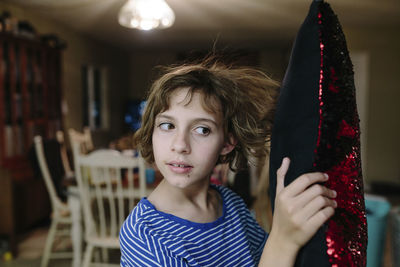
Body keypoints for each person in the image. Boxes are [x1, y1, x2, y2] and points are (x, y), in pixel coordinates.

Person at [119, 56, 337, 266]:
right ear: (151, 132)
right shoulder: (143, 234)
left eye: (202, 129)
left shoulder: (230, 204)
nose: (180, 145)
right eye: (167, 125)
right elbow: (278, 250)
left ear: (227, 143)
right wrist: (284, 239)